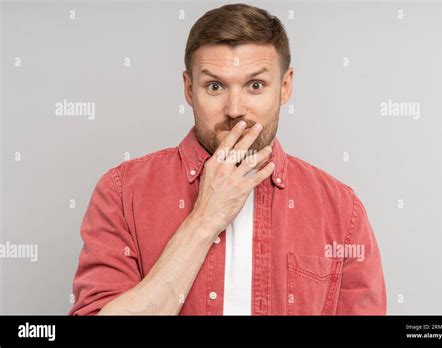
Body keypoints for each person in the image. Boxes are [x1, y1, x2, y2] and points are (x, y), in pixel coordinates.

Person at [69, 3, 386, 316]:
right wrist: (204, 219)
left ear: (285, 87)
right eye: (215, 86)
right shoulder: (122, 192)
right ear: (189, 89)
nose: (235, 109)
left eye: (255, 85)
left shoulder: (342, 210)